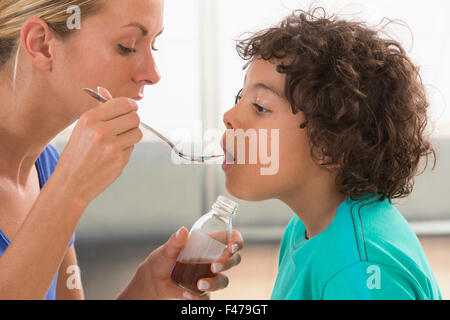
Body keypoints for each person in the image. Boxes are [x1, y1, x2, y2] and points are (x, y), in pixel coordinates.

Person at [0, 0, 243, 300]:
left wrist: (145, 290)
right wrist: (70, 189)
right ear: (42, 45)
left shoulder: (48, 168)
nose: (153, 74)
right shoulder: (64, 182)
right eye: (127, 46)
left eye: (153, 46)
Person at [221, 7, 441, 299]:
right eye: (240, 98)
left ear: (330, 145)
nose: (229, 116)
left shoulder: (359, 271)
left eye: (261, 106)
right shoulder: (307, 227)